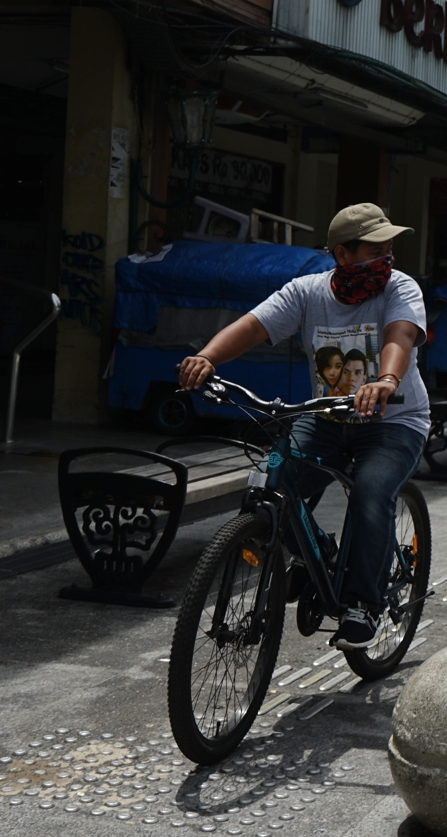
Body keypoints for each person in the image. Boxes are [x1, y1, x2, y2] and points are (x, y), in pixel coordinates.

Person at [177, 202, 430, 649]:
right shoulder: (306, 292)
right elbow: (253, 326)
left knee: (371, 492)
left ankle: (361, 604)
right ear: (342, 254)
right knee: (271, 484)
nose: (388, 255)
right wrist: (208, 357)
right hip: (328, 419)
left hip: (394, 421)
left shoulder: (399, 288)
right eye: (376, 247)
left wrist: (386, 380)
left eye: (390, 245)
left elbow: (401, 336)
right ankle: (322, 553)